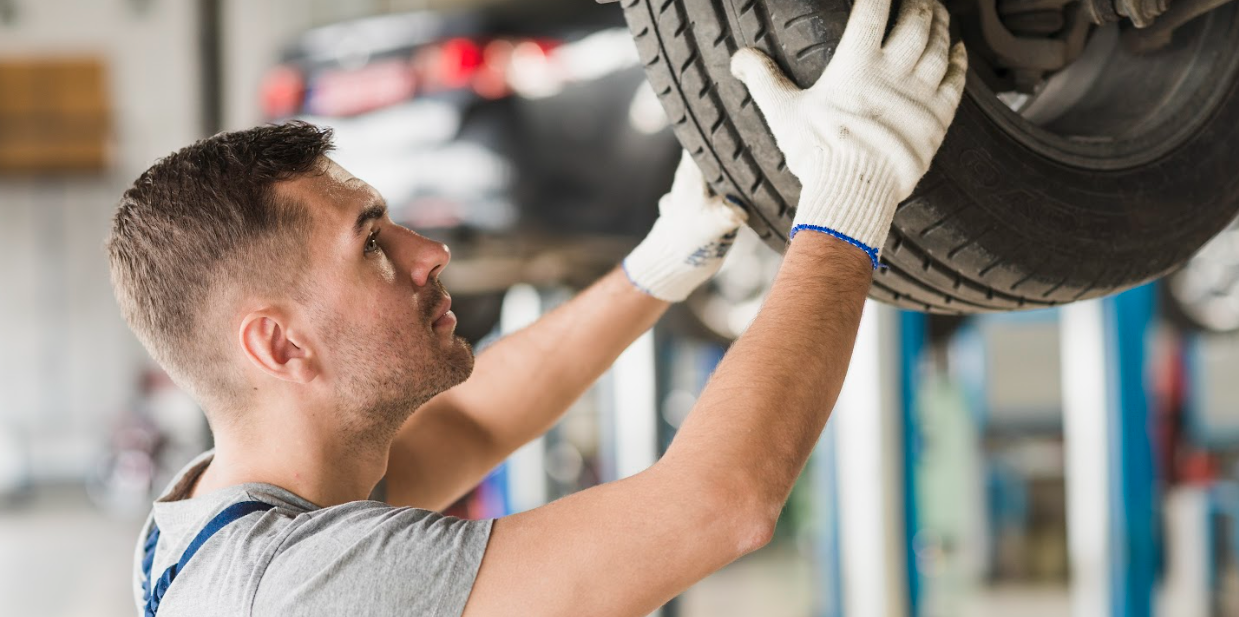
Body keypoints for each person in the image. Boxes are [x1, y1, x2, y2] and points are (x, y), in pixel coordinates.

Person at [107, 0, 965, 613]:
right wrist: (852, 192)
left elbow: (472, 423)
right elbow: (718, 504)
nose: (429, 251)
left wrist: (657, 266)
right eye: (371, 243)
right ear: (279, 345)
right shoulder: (301, 591)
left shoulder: (228, 512)